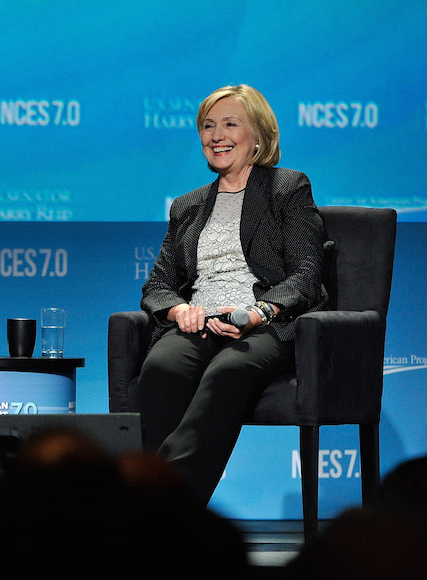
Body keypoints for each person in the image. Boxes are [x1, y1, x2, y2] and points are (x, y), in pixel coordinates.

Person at [138, 84, 327, 506]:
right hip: (199, 322)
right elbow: (158, 285)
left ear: (258, 135)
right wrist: (180, 309)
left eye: (229, 124)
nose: (216, 135)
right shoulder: (187, 205)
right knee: (163, 367)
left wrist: (259, 311)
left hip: (264, 324)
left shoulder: (287, 188)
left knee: (227, 372)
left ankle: (157, 505)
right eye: (208, 126)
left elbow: (306, 274)